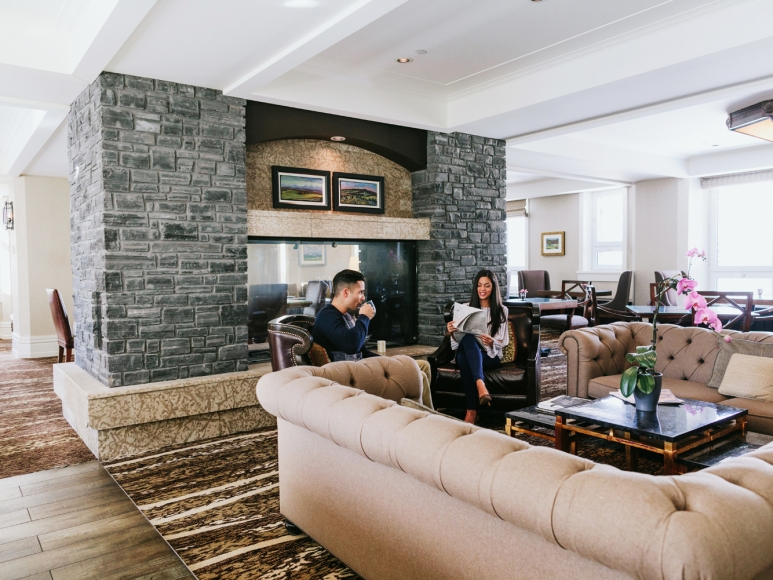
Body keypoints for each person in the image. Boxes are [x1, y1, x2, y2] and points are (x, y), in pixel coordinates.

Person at [313, 269, 434, 407]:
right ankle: (425, 420)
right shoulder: (327, 316)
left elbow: (362, 351)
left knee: (424, 366)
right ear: (345, 292)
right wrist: (364, 317)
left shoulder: (346, 316)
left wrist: (389, 362)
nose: (363, 298)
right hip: (351, 377)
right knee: (420, 375)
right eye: (360, 292)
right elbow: (351, 345)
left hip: (362, 369)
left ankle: (421, 413)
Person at [446, 269, 509, 424]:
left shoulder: (502, 311)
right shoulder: (466, 308)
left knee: (463, 358)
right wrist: (451, 332)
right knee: (467, 339)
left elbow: (503, 341)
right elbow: (455, 344)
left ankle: (471, 411)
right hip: (469, 349)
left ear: (493, 288)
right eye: (479, 285)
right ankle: (481, 387)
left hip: (490, 355)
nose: (482, 289)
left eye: (487, 286)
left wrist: (492, 342)